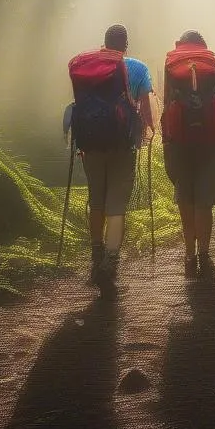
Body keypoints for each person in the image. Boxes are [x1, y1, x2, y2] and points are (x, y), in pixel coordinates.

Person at [77, 23, 157, 294]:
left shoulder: (87, 65)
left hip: (91, 144)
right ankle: (110, 264)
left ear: (105, 42)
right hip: (123, 146)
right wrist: (150, 130)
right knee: (116, 205)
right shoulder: (137, 68)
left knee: (96, 199)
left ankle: (95, 257)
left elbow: (78, 104)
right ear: (126, 45)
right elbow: (146, 105)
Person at [160, 30, 215, 280]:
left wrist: (166, 140)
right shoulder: (212, 61)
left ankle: (189, 256)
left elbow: (166, 103)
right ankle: (204, 255)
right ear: (202, 44)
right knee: (204, 199)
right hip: (209, 141)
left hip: (179, 141)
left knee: (185, 197)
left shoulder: (170, 62)